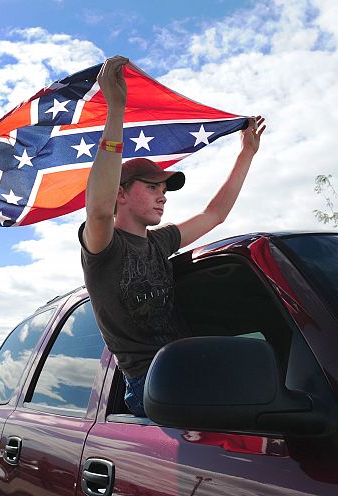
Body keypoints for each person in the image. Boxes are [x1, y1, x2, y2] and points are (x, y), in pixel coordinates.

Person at [79, 56, 265, 416]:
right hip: (149, 384)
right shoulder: (104, 247)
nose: (162, 195)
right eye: (151, 187)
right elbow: (99, 210)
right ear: (121, 194)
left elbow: (215, 214)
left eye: (164, 189)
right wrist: (116, 108)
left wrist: (246, 154)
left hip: (189, 368)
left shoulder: (160, 242)